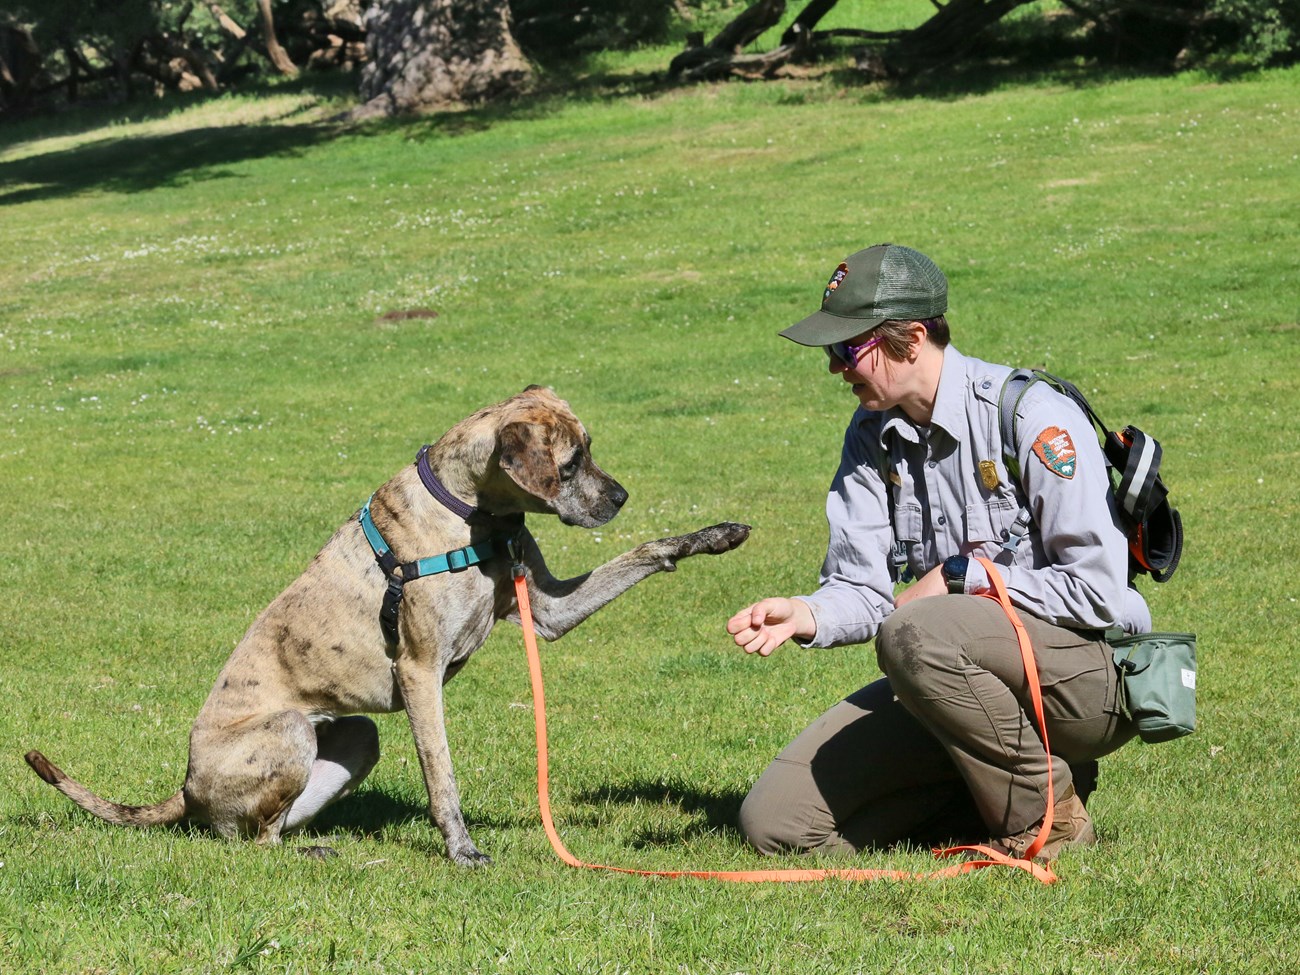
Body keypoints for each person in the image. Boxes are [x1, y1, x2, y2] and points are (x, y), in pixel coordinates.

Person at [727, 243, 1151, 861]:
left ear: (913, 336)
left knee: (915, 633)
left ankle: (1053, 824)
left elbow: (1101, 593)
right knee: (776, 826)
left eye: (849, 349)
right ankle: (1008, 788)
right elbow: (867, 591)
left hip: (1086, 679)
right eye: (830, 352)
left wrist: (965, 577)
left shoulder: (1032, 416)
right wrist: (805, 613)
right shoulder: (871, 435)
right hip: (957, 678)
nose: (835, 369)